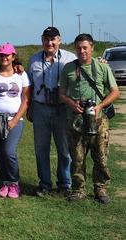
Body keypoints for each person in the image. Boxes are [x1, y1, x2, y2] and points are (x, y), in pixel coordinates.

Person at [59, 34, 120, 204]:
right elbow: (61, 94)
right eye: (78, 48)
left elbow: (115, 92)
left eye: (85, 47)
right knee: (77, 157)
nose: (82, 51)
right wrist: (71, 103)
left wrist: (100, 106)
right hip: (76, 120)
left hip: (98, 120)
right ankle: (79, 189)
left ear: (92, 48)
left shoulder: (102, 67)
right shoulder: (68, 68)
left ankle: (100, 188)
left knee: (100, 156)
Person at [27, 27, 77, 197]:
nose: (50, 42)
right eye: (46, 39)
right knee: (41, 149)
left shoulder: (71, 58)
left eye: (53, 39)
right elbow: (29, 85)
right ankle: (45, 184)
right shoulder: (34, 60)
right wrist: (29, 108)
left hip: (62, 108)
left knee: (64, 148)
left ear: (59, 40)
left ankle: (65, 183)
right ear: (42, 40)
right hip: (40, 107)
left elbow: (84, 69)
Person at [0, 43, 30, 199]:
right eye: (1, 55)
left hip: (14, 118)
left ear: (13, 57)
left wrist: (15, 120)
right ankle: (4, 182)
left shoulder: (21, 75)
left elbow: (25, 99)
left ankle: (14, 182)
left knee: (9, 152)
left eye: (7, 55)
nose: (4, 58)